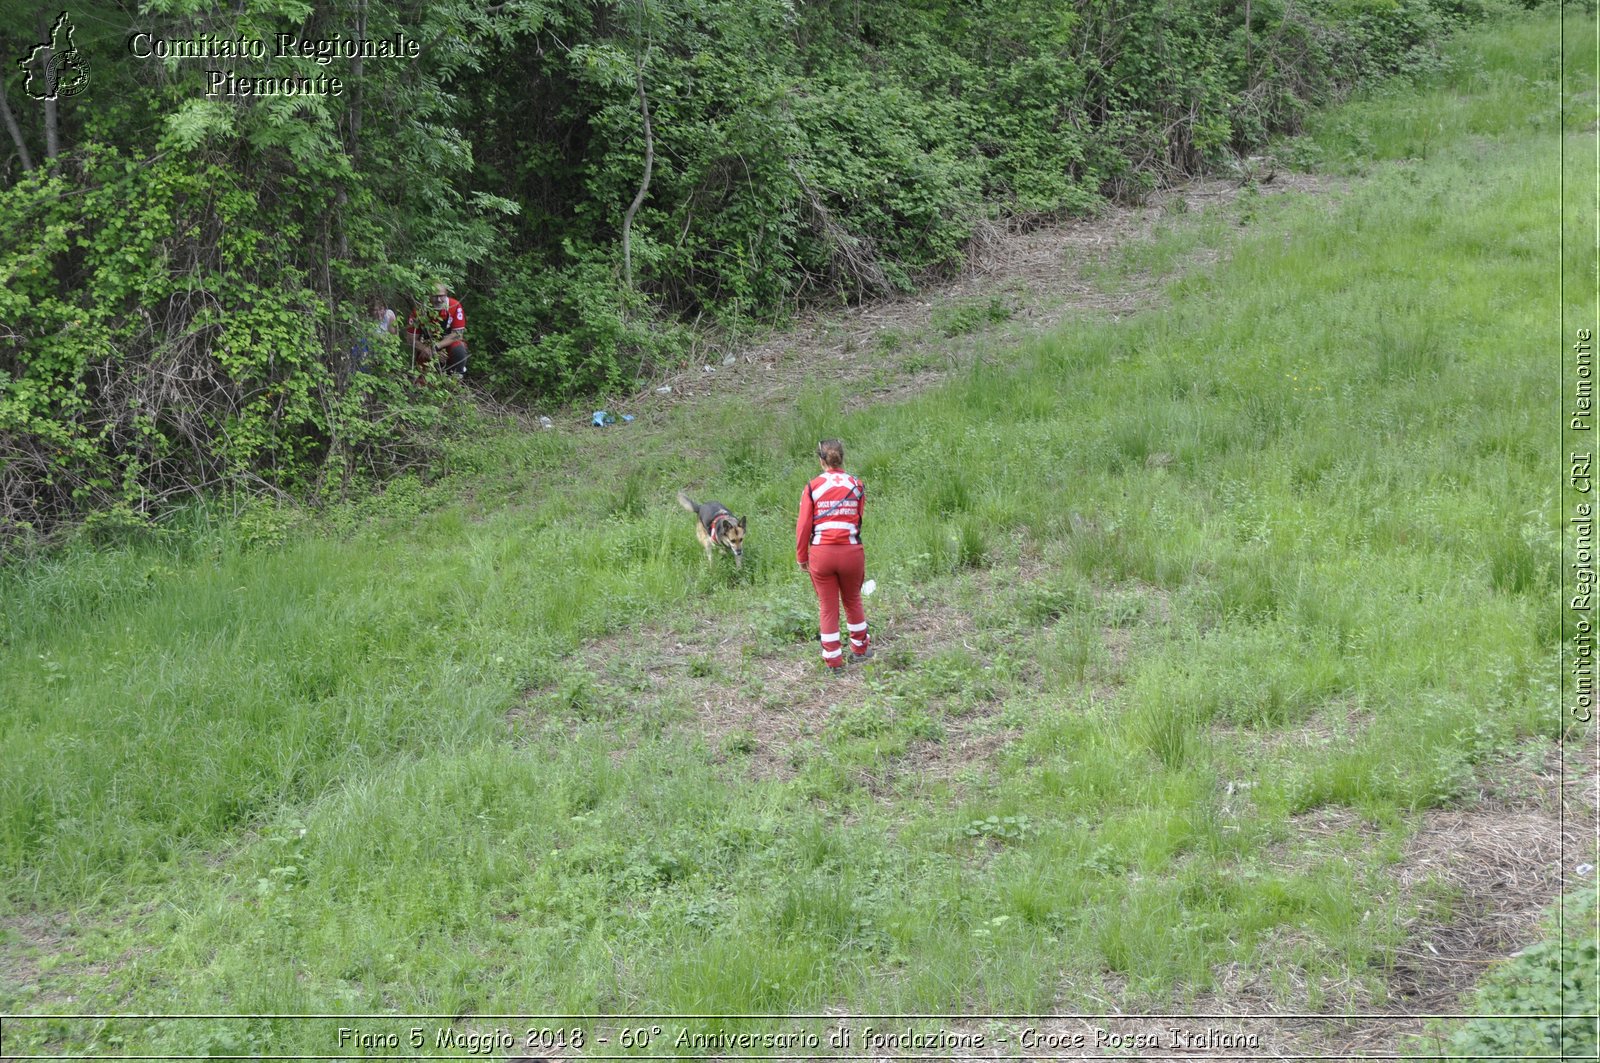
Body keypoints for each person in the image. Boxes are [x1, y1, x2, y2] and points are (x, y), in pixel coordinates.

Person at [796, 438, 872, 672]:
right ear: (842, 458)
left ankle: (834, 661)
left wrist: (802, 557)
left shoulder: (812, 487)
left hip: (822, 554)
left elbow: (803, 527)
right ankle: (860, 648)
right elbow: (858, 518)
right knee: (852, 599)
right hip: (851, 552)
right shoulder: (856, 485)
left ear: (821, 461)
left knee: (828, 606)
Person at [404, 283, 469, 382]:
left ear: (446, 294)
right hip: (427, 345)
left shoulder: (454, 305)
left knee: (459, 348)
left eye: (441, 296)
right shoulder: (420, 310)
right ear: (429, 295)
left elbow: (458, 334)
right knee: (422, 381)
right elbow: (410, 339)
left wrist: (436, 347)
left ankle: (456, 379)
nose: (438, 300)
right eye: (435, 296)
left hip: (445, 343)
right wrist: (428, 350)